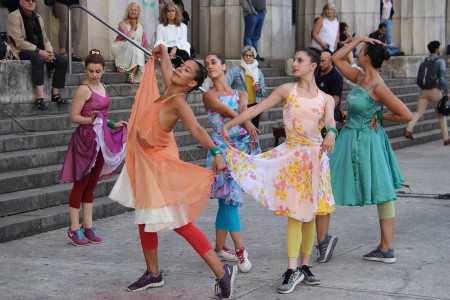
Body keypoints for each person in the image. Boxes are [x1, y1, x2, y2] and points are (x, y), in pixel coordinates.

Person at [109, 44, 237, 299]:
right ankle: (153, 273)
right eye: (182, 66)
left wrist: (217, 152)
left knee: (179, 221)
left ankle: (222, 271)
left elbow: (198, 130)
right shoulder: (170, 89)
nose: (180, 69)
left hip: (159, 165)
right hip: (147, 163)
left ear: (191, 83)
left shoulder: (178, 102)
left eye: (187, 70)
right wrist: (163, 53)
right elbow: (168, 68)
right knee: (145, 218)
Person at [222, 48, 337, 294]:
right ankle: (291, 268)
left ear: (313, 65)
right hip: (293, 159)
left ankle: (304, 266)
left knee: (311, 213)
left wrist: (332, 133)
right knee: (296, 214)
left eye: (300, 60)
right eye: (294, 59)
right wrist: (230, 124)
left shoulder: (326, 98)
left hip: (316, 160)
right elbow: (256, 109)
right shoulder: (287, 90)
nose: (294, 63)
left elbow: (330, 121)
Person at [330, 36, 412, 263]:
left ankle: (386, 248)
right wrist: (359, 39)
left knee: (382, 191)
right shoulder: (360, 76)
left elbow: (406, 114)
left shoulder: (379, 87)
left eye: (360, 50)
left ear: (366, 57)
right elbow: (336, 58)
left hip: (368, 141)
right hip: (349, 138)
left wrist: (379, 115)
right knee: (329, 182)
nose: (357, 53)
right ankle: (321, 239)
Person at [59, 49, 127, 246]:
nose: (94, 74)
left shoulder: (103, 86)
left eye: (97, 71)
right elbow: (74, 117)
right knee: (81, 183)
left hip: (101, 139)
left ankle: (88, 226)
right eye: (91, 71)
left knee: (92, 183)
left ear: (104, 70)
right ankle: (73, 228)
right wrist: (90, 119)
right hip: (86, 140)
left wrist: (113, 124)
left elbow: (103, 117)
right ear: (86, 70)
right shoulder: (84, 89)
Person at [203, 53, 260, 273]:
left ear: (224, 66)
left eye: (214, 62)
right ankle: (239, 249)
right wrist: (246, 122)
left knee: (226, 202)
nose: (210, 66)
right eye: (207, 64)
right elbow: (230, 112)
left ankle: (218, 248)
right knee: (231, 200)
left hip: (240, 148)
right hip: (221, 150)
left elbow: (244, 110)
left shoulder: (242, 93)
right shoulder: (209, 95)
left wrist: (245, 121)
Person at [7, 0, 68, 111]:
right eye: (27, 0)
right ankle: (40, 97)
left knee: (62, 61)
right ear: (21, 2)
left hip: (39, 49)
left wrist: (49, 52)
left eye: (33, 0)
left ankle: (55, 94)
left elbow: (45, 39)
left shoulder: (38, 17)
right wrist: (40, 51)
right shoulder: (14, 16)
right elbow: (19, 42)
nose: (31, 2)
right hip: (21, 50)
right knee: (38, 58)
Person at [405, 41, 450, 146]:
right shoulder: (440, 61)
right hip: (435, 91)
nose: (440, 49)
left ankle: (409, 129)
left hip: (423, 91)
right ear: (436, 49)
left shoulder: (424, 61)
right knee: (440, 115)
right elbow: (443, 78)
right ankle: (446, 138)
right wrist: (446, 92)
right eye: (439, 48)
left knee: (419, 112)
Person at [226, 46, 266, 128]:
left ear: (253, 57)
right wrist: (234, 96)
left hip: (255, 104)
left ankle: (254, 141)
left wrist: (258, 90)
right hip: (242, 105)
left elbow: (263, 91)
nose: (248, 57)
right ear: (242, 56)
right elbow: (225, 84)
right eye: (246, 55)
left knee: (255, 129)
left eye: (250, 55)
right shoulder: (236, 70)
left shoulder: (258, 72)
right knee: (242, 128)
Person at [111, 2, 149, 84]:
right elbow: (126, 38)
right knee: (134, 43)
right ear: (128, 11)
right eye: (131, 10)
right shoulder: (123, 23)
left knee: (138, 47)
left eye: (135, 10)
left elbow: (144, 42)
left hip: (135, 49)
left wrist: (149, 54)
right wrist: (133, 27)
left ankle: (131, 74)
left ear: (138, 12)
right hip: (120, 47)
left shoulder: (141, 25)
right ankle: (122, 66)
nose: (133, 12)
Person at [154, 2, 191, 68]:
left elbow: (183, 40)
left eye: (173, 11)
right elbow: (159, 41)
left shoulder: (183, 26)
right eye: (169, 11)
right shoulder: (160, 26)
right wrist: (168, 53)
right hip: (165, 49)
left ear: (176, 12)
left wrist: (175, 48)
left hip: (179, 48)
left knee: (184, 55)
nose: (171, 13)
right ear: (165, 13)